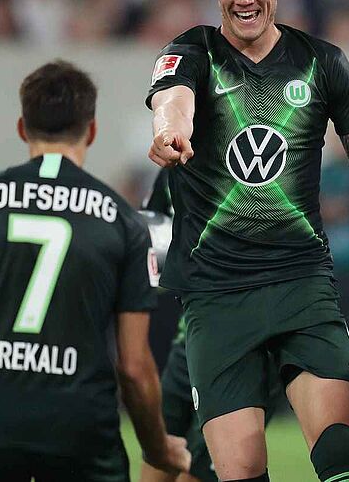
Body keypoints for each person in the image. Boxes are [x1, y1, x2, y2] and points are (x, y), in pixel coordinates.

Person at [146, 0, 349, 482]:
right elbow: (173, 101)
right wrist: (171, 131)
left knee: (338, 447)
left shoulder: (323, 62)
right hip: (217, 294)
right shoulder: (191, 50)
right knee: (240, 469)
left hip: (301, 283)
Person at [0, 60, 190, 481]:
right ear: (92, 130)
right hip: (81, 426)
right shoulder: (121, 221)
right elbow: (135, 367)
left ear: (22, 128)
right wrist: (159, 450)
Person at [138, 170, 283, 482]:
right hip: (191, 339)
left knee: (201, 472)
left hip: (250, 344)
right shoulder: (173, 169)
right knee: (161, 455)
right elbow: (152, 228)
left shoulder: (259, 167)